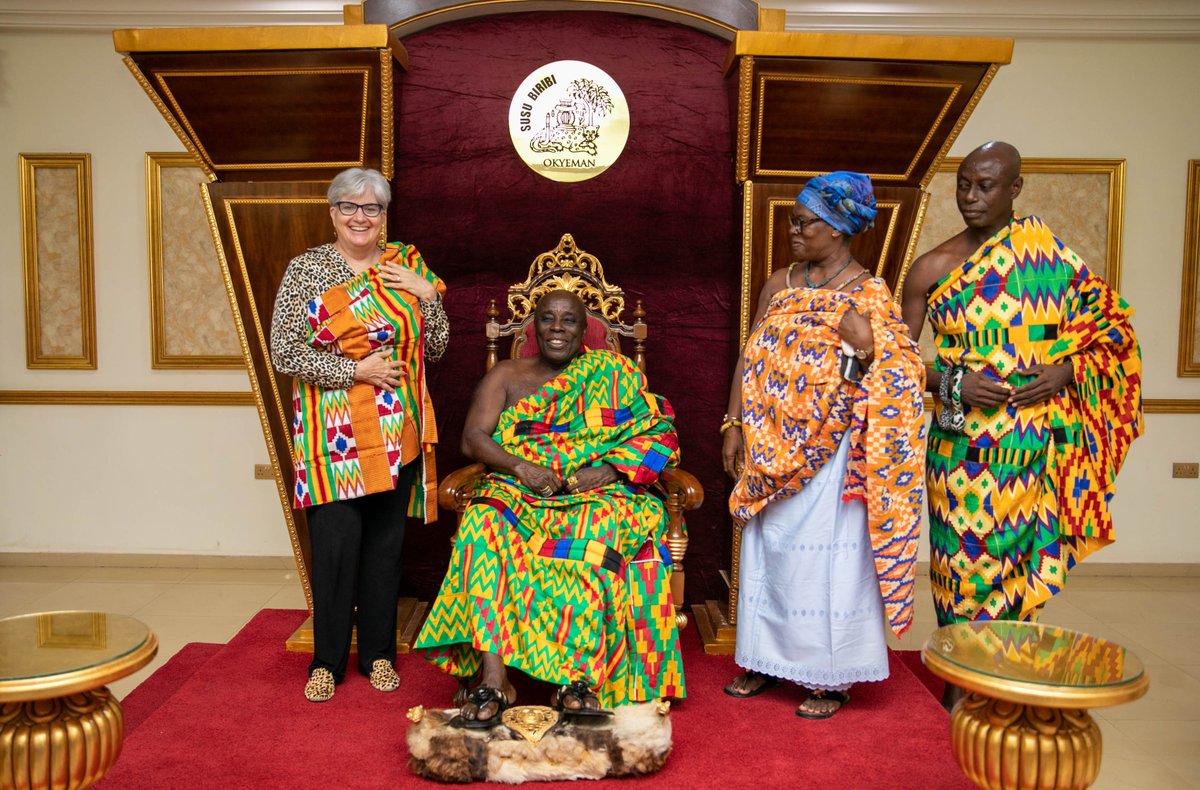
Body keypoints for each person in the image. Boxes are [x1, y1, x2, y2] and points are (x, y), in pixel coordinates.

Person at [900, 141, 1142, 708]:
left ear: (1015, 190)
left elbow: (1114, 337)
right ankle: (961, 687)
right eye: (963, 183)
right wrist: (954, 381)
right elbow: (894, 362)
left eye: (985, 186)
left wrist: (1066, 369)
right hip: (960, 451)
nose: (971, 196)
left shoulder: (1053, 262)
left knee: (1018, 567)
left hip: (1034, 445)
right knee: (959, 569)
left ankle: (1008, 684)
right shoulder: (931, 268)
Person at [415, 289, 685, 727]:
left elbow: (661, 432)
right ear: (533, 327)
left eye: (569, 321)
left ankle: (576, 679)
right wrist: (523, 468)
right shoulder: (507, 373)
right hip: (521, 488)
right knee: (482, 524)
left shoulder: (612, 372)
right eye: (547, 318)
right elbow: (473, 439)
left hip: (594, 491)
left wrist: (612, 470)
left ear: (585, 331)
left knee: (596, 531)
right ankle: (495, 678)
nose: (557, 328)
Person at [721, 172, 926, 720]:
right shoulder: (779, 283)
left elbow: (904, 374)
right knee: (770, 554)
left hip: (833, 456)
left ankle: (829, 676)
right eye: (793, 219)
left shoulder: (869, 294)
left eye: (803, 221)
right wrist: (734, 422)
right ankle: (764, 660)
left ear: (836, 228)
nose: (793, 230)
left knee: (827, 564)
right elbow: (750, 354)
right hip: (768, 447)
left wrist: (867, 347)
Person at [269, 167, 449, 703]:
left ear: (384, 216)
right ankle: (326, 661)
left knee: (384, 550)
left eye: (372, 209)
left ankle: (378, 656)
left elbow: (436, 347)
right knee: (335, 548)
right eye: (349, 206)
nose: (360, 217)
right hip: (335, 438)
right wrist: (356, 372)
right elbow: (284, 350)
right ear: (332, 212)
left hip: (399, 434)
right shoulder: (308, 270)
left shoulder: (406, 267)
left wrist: (427, 295)